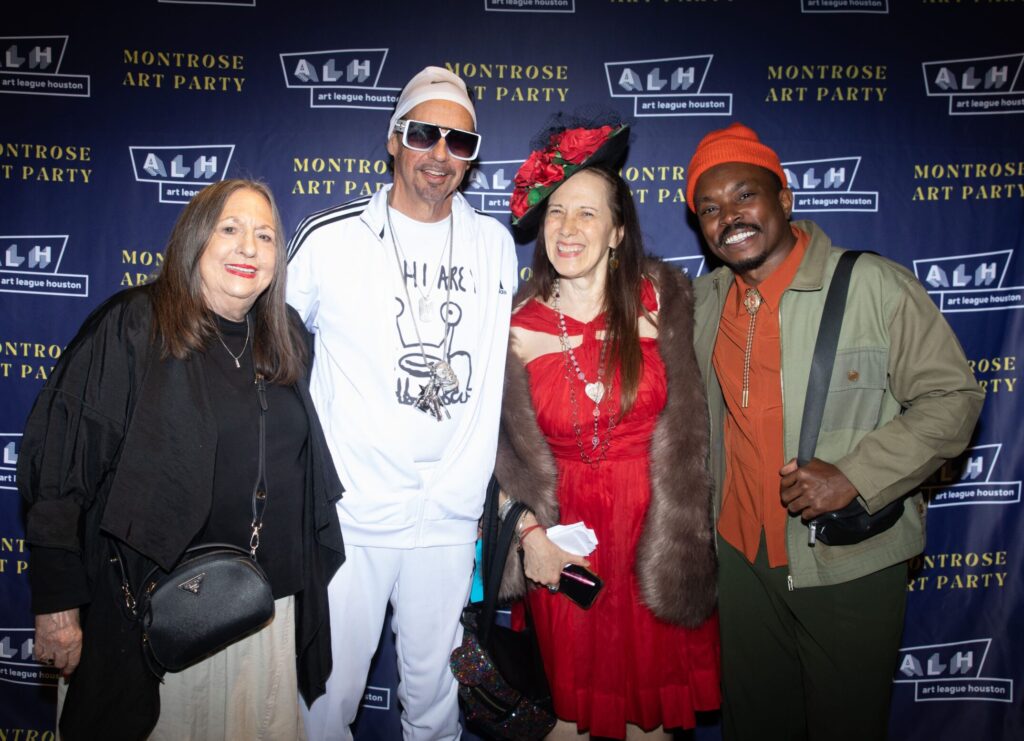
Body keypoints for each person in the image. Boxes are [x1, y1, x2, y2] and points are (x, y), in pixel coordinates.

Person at [686, 122, 985, 741]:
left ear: (785, 199)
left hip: (847, 561)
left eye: (745, 195)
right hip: (740, 561)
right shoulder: (703, 300)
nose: (729, 217)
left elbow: (953, 398)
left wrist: (855, 474)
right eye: (709, 208)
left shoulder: (874, 285)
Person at [20, 179, 346, 739]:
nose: (248, 248)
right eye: (230, 229)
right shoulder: (134, 323)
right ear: (195, 237)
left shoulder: (285, 335)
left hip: (260, 617)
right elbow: (60, 466)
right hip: (155, 615)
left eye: (265, 236)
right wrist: (57, 603)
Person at [286, 66, 517, 740]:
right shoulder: (331, 239)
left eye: (460, 141)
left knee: (437, 701)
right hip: (351, 515)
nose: (440, 154)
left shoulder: (494, 245)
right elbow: (263, 348)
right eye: (424, 134)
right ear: (394, 139)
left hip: (449, 519)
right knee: (324, 699)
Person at [495, 121, 721, 740]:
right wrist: (531, 538)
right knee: (568, 719)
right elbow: (490, 457)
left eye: (587, 213)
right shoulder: (513, 326)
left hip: (657, 538)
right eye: (556, 211)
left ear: (618, 231)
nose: (568, 228)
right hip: (565, 548)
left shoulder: (668, 305)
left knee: (650, 721)